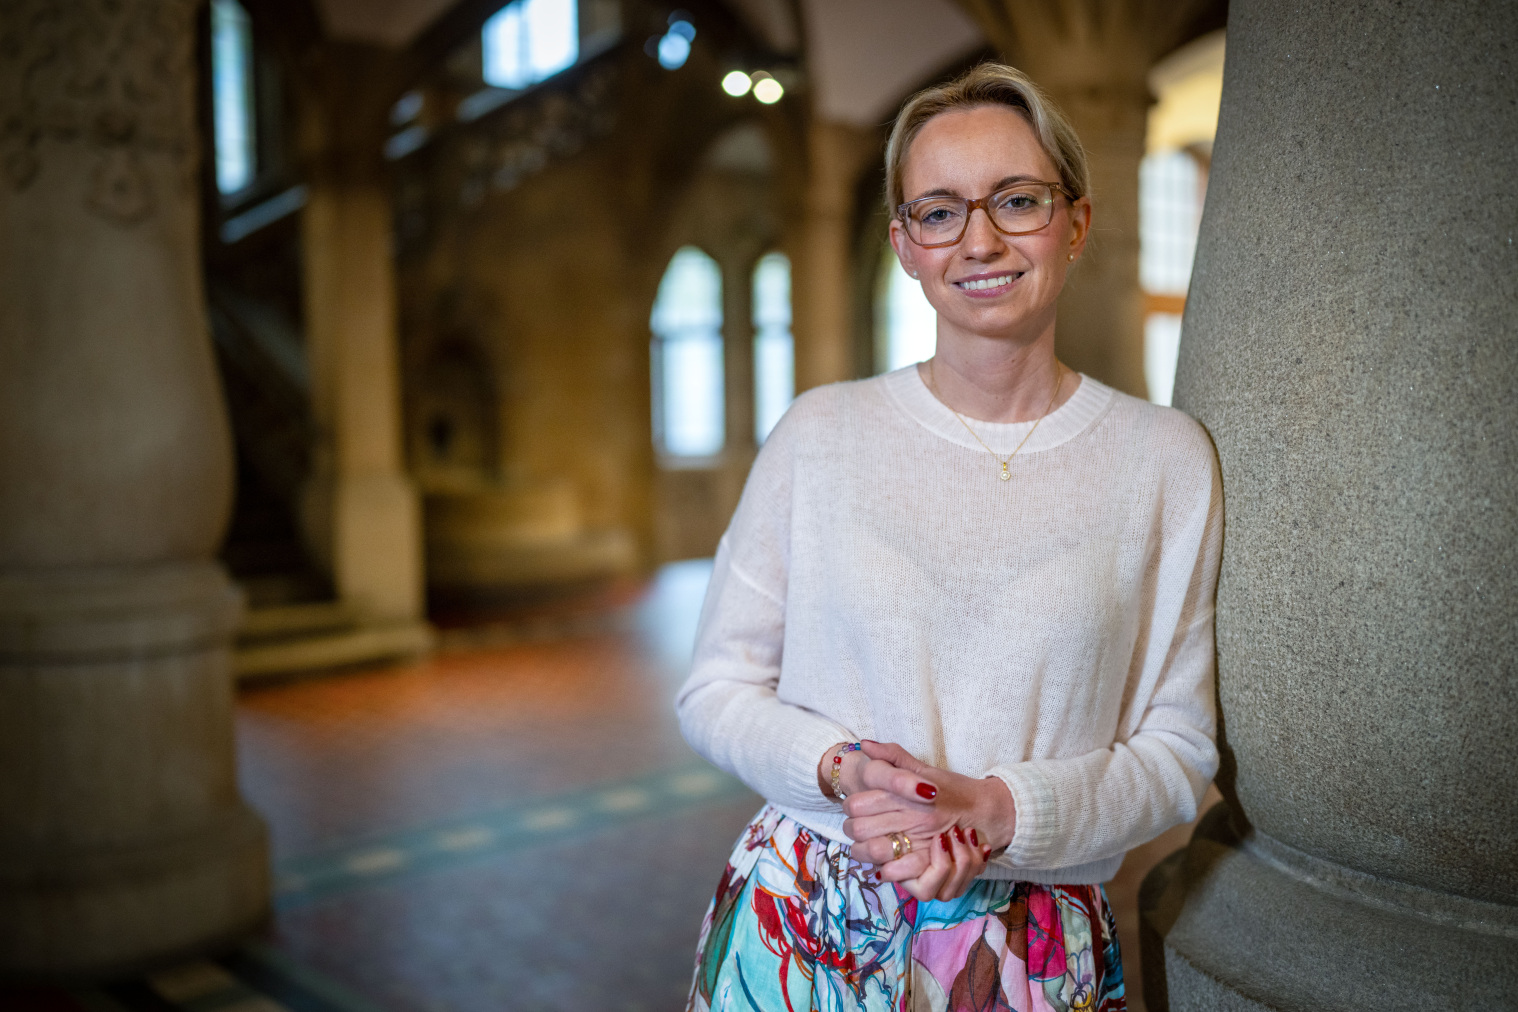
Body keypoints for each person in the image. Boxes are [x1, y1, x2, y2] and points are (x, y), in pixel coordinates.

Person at [675, 62, 1221, 1012]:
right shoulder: (821, 432)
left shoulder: (1163, 460)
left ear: (1076, 222)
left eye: (1017, 200)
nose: (979, 239)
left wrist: (1000, 810)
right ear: (904, 244)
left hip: (1030, 941)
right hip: (806, 909)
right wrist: (846, 776)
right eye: (938, 211)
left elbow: (1179, 749)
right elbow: (715, 689)